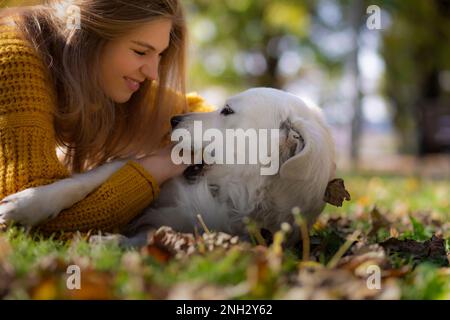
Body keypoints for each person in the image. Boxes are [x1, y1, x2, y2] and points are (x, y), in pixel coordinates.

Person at [0, 0, 213, 234]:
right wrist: (160, 165)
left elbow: (199, 113)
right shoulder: (14, 56)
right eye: (140, 51)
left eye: (159, 54)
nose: (152, 73)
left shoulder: (113, 78)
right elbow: (31, 223)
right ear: (89, 37)